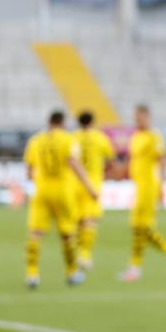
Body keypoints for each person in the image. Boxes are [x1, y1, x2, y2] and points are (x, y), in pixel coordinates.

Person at [23, 111, 99, 289]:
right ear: (62, 123)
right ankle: (71, 273)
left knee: (35, 232)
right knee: (67, 233)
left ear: (49, 122)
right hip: (63, 191)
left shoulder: (35, 140)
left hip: (41, 190)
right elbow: (73, 163)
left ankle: (32, 275)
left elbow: (28, 170)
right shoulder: (68, 139)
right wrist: (89, 187)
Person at [118, 105, 166, 281]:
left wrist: (162, 188)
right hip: (139, 186)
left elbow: (162, 161)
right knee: (140, 227)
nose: (137, 120)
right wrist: (121, 172)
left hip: (149, 187)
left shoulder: (154, 136)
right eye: (135, 117)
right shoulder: (135, 136)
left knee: (138, 226)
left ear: (147, 117)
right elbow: (131, 158)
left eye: (139, 117)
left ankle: (136, 267)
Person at [73, 110, 119, 270]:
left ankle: (77, 253)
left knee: (79, 221)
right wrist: (113, 174)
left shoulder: (73, 138)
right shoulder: (100, 138)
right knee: (90, 220)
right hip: (92, 184)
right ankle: (84, 255)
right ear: (92, 122)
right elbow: (111, 159)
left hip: (74, 183)